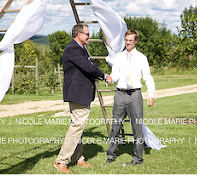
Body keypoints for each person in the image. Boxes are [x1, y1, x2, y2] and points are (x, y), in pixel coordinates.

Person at [54, 24, 111, 174]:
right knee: (77, 126)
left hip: (80, 93)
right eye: (86, 34)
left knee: (78, 126)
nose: (89, 36)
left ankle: (77, 158)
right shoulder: (74, 48)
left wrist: (93, 65)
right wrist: (104, 76)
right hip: (77, 93)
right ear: (78, 34)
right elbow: (90, 67)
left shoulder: (79, 48)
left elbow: (90, 65)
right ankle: (61, 160)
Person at [106, 30, 156, 166]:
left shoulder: (141, 58)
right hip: (120, 95)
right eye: (126, 40)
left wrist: (150, 94)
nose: (127, 43)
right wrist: (110, 79)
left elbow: (147, 77)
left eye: (130, 40)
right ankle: (110, 155)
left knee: (137, 127)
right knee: (115, 126)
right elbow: (115, 75)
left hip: (135, 95)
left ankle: (138, 158)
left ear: (136, 41)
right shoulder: (119, 57)